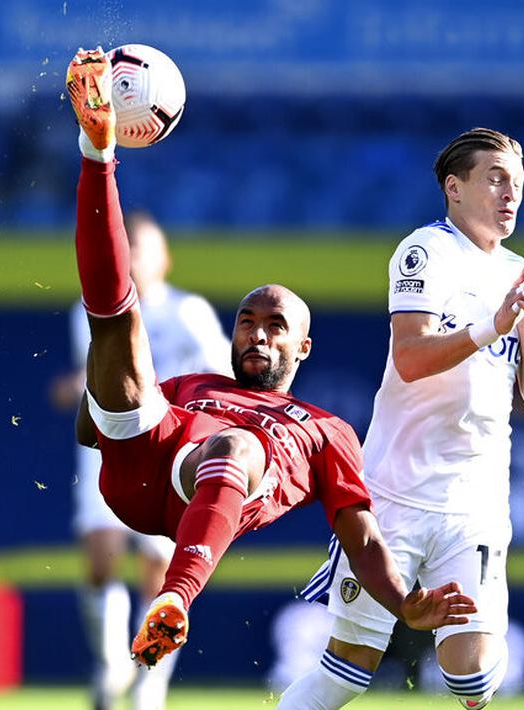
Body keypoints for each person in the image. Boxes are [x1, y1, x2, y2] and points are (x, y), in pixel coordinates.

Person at [63, 46, 477, 674]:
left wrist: (404, 601)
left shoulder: (325, 430)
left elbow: (361, 536)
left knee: (237, 447)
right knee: (120, 322)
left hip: (205, 486)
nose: (256, 335)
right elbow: (95, 429)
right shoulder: (195, 382)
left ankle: (174, 601)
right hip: (141, 466)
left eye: (275, 326)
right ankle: (98, 155)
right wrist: (106, 394)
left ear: (303, 347)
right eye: (247, 322)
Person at [280, 127, 524, 710]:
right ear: (453, 188)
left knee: (474, 677)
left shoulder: (519, 277)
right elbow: (410, 358)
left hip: (474, 504)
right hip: (394, 493)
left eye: (518, 183)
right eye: (495, 179)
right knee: (346, 673)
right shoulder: (426, 251)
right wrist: (495, 324)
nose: (511, 193)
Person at [49, 208, 231, 710]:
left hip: (168, 455)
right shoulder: (89, 310)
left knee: (159, 574)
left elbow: (221, 374)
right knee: (100, 558)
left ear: (164, 259)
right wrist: (78, 388)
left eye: (142, 249)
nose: (131, 258)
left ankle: (149, 680)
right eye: (125, 247)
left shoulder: (187, 312)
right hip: (108, 449)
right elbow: (97, 378)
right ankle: (111, 666)